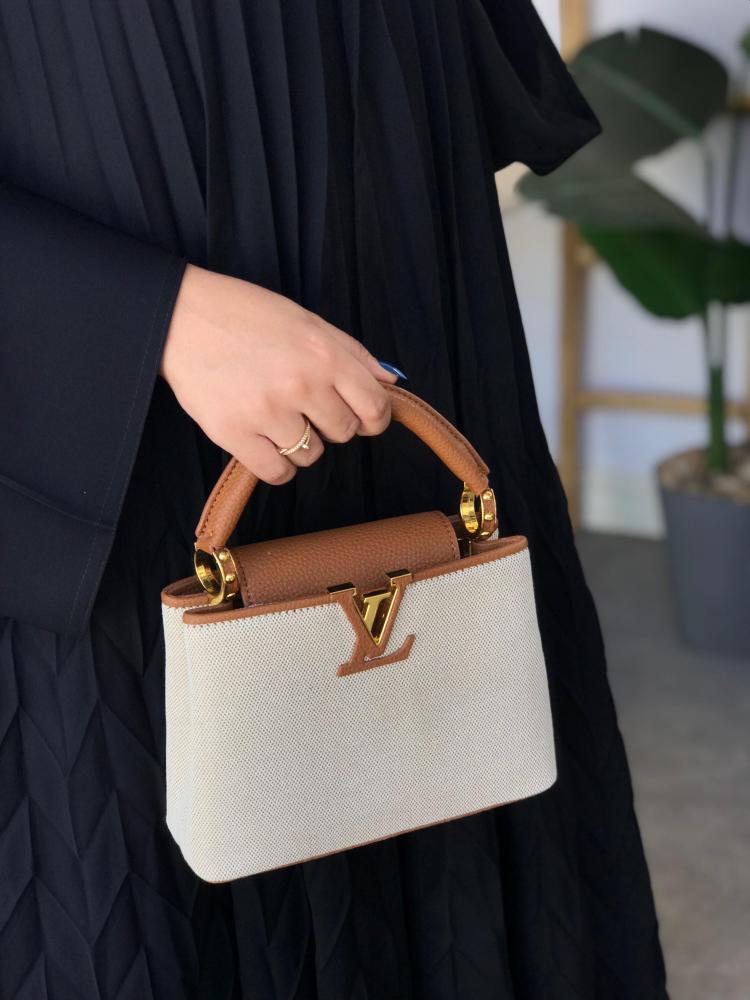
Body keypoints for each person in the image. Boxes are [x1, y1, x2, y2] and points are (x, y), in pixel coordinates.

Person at [0, 1, 668, 997]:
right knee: (149, 850)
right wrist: (155, 319)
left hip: (406, 294)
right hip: (111, 406)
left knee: (457, 781)